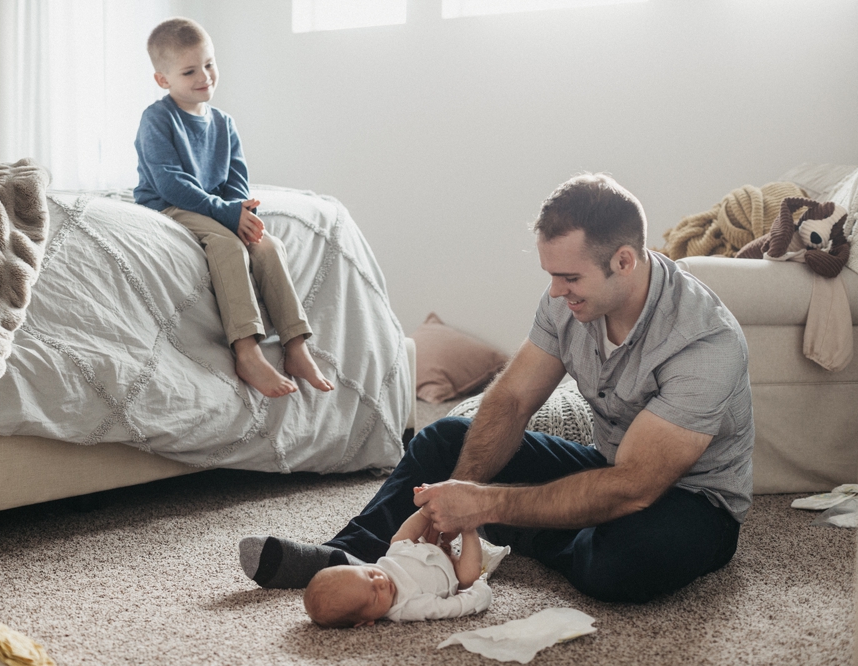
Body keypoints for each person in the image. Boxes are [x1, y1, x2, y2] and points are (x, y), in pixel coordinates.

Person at [240, 173, 753, 603]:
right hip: (611, 467)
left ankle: (518, 531)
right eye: (550, 274)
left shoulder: (704, 341)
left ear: (623, 261)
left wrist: (485, 506)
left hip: (693, 502)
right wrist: (456, 496)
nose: (555, 291)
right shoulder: (569, 301)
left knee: (618, 565)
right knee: (445, 438)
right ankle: (346, 554)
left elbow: (636, 487)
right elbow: (510, 401)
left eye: (569, 277)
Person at [134, 17, 334, 398]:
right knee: (227, 246)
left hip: (212, 206)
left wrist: (242, 212)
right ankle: (246, 350)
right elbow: (171, 183)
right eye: (190, 70)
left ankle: (295, 345)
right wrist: (225, 215)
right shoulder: (158, 119)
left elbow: (235, 180)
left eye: (209, 64)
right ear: (164, 80)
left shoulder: (224, 123)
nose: (204, 76)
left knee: (267, 245)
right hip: (171, 205)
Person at [302, 492, 491, 628]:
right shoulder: (408, 607)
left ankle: (426, 510)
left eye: (369, 574)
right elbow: (453, 607)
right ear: (366, 621)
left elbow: (399, 550)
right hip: (451, 569)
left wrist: (425, 542)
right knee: (469, 576)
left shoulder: (384, 568)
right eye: (375, 595)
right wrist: (481, 590)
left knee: (397, 541)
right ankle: (469, 527)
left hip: (423, 546)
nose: (380, 581)